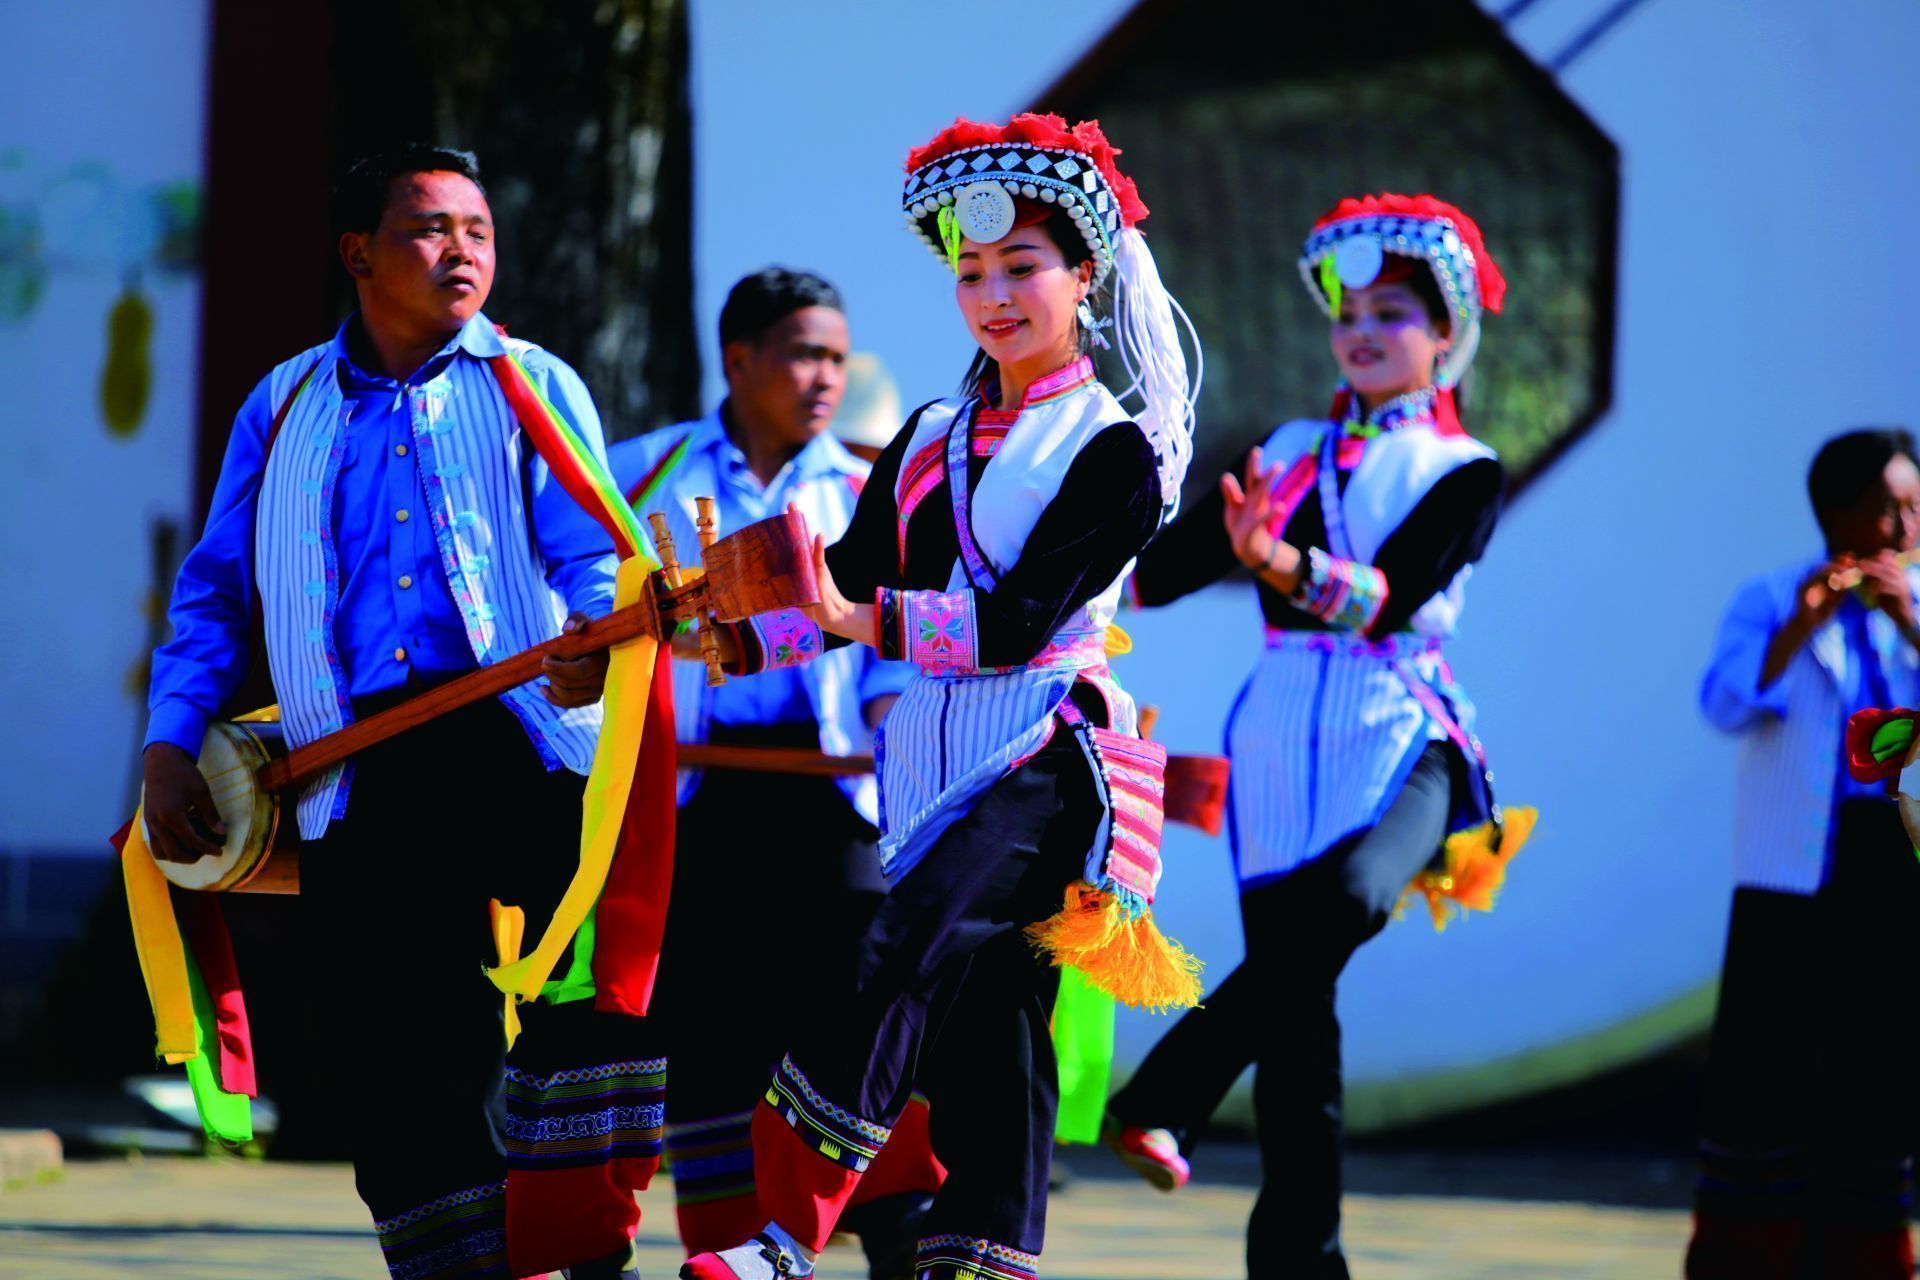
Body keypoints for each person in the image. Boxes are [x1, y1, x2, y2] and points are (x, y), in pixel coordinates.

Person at [679, 112, 1204, 1280]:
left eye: (1023, 267)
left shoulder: (1116, 448)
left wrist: (855, 619)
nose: (995, 296)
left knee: (896, 946)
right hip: (929, 761)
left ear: (1085, 275)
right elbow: (849, 575)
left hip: (1051, 754)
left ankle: (785, 1229)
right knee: (992, 1037)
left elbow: (1015, 620)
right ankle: (981, 1263)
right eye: (973, 273)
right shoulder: (928, 431)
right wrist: (711, 634)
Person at [140, 145, 656, 1280]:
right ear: (358, 253)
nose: (462, 249)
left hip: (523, 739)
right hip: (357, 762)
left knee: (604, 974)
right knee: (396, 1059)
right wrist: (171, 739)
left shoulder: (533, 379)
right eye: (431, 228)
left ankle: (577, 1227)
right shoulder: (282, 403)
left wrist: (589, 649)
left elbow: (597, 551)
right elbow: (218, 591)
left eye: (477, 228)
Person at [1101, 194, 1532, 1280]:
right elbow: (1154, 573)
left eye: (1395, 311)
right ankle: (1302, 1263)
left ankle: (1167, 1090)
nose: (1365, 330)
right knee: (1300, 1028)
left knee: (1353, 899)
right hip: (1283, 732)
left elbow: (1394, 599)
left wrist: (1281, 564)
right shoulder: (1288, 450)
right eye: (1351, 311)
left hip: (1403, 725)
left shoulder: (1466, 468)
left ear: (1447, 335)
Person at [608, 267, 939, 1277]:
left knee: (865, 1011)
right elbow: (585, 621)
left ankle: (902, 1249)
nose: (824, 377)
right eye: (803, 353)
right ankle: (724, 1256)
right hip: (691, 796)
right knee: (708, 1031)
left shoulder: (870, 490)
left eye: (837, 357)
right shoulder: (643, 474)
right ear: (738, 357)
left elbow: (894, 652)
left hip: (837, 796)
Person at [1685, 428, 1920, 1279]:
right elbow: (1725, 704)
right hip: (1790, 868)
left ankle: (1866, 1257)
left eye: (1913, 508)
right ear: (1834, 512)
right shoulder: (1769, 597)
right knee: (1766, 1066)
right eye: (1885, 507)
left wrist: (1910, 620)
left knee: (1874, 1066)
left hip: (1890, 864)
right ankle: (1753, 1254)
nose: (1901, 528)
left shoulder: (1918, 604)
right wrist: (1801, 625)